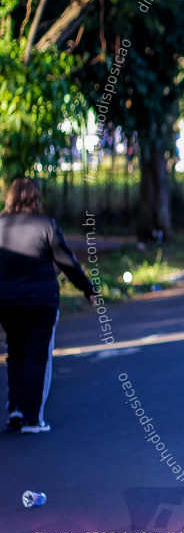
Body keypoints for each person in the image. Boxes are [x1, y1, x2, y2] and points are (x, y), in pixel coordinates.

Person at [0, 177, 96, 433]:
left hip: (7, 301)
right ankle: (33, 418)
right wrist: (88, 289)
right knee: (38, 355)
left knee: (16, 351)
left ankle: (16, 408)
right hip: (41, 301)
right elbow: (66, 262)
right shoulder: (46, 225)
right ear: (36, 197)